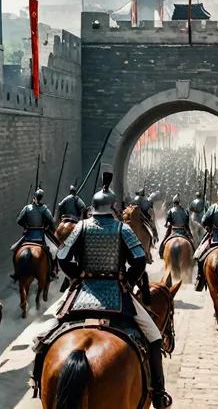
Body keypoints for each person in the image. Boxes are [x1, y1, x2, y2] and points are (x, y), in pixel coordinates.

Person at [34, 174, 172, 409]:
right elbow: (139, 259)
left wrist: (77, 275)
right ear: (114, 207)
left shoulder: (81, 227)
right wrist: (126, 280)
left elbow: (62, 257)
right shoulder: (122, 229)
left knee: (44, 337)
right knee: (154, 336)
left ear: (94, 208)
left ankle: (37, 381)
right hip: (116, 294)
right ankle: (159, 393)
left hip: (81, 293)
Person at [11, 188, 58, 281]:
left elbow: (19, 220)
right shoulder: (44, 209)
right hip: (40, 236)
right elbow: (52, 221)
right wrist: (50, 228)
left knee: (16, 250)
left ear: (34, 197)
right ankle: (51, 271)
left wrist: (26, 226)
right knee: (52, 252)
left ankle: (16, 272)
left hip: (28, 235)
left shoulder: (27, 208)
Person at [159, 194, 193, 258]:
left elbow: (167, 222)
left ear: (173, 202)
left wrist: (167, 224)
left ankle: (161, 253)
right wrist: (190, 234)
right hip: (183, 231)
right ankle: (193, 255)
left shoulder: (170, 211)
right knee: (192, 243)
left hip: (173, 231)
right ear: (179, 202)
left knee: (164, 241)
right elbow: (187, 224)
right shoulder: (185, 211)